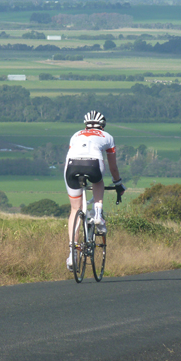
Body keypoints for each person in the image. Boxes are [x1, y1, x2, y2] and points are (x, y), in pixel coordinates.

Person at [64, 110, 125, 272]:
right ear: (102, 126)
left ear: (85, 125)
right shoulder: (107, 137)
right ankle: (97, 214)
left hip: (71, 167)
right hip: (93, 164)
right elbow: (113, 167)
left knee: (75, 209)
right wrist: (118, 183)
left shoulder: (76, 135)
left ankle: (72, 254)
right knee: (98, 181)